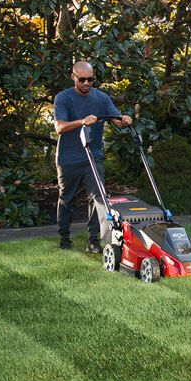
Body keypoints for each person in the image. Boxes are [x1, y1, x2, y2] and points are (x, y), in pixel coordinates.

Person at [54, 60, 133, 252]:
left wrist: (125, 120)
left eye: (90, 79)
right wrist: (82, 121)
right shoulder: (63, 98)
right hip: (68, 158)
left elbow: (117, 123)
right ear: (73, 77)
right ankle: (64, 238)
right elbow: (59, 127)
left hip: (93, 156)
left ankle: (93, 240)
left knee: (98, 198)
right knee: (67, 198)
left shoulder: (102, 98)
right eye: (82, 79)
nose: (86, 83)